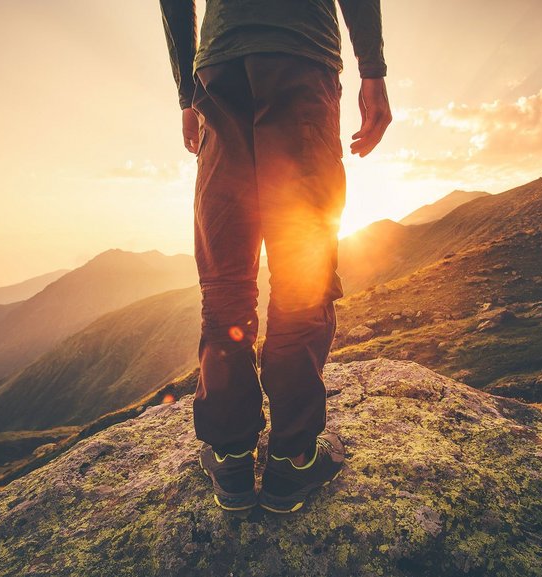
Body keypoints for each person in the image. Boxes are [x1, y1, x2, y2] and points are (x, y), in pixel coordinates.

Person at [159, 0, 391, 513]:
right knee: (302, 272)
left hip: (220, 69)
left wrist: (187, 95)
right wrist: (372, 71)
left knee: (225, 278)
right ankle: (293, 459)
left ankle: (232, 454)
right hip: (299, 53)